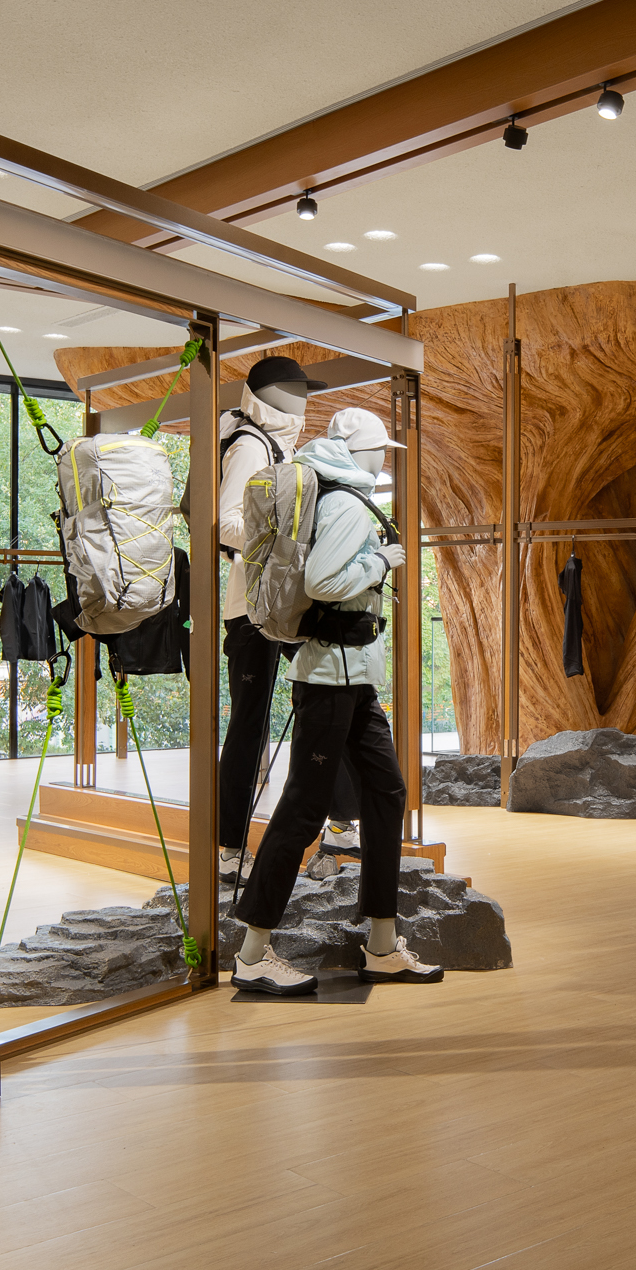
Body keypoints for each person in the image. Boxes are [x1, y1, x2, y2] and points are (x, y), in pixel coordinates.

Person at [230, 406, 443, 995]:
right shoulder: (347, 504)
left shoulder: (333, 495)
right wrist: (380, 560)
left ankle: (382, 946)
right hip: (329, 679)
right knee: (304, 807)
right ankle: (252, 954)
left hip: (350, 679)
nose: (382, 460)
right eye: (379, 450)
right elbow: (323, 582)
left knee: (386, 792)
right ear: (359, 451)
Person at [216, 356, 362, 881]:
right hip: (253, 607)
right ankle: (230, 849)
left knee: (324, 706)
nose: (301, 399)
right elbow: (224, 524)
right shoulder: (251, 445)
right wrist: (290, 542)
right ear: (266, 393)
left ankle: (341, 831)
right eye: (292, 389)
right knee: (250, 726)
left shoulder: (279, 445)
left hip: (284, 603)